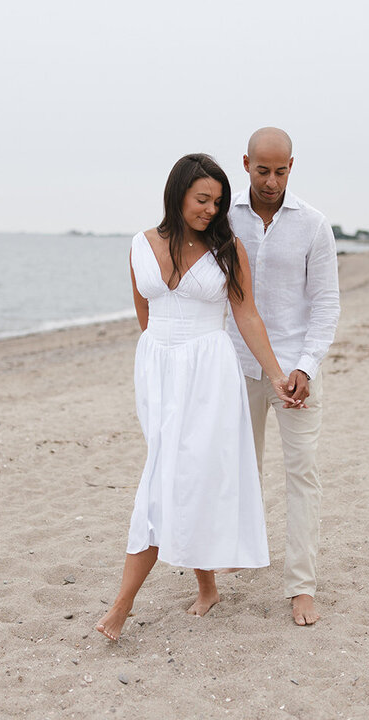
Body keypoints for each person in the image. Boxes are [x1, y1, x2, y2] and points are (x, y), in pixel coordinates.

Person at [96, 153, 295, 642]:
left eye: (218, 202)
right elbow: (145, 315)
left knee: (171, 478)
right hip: (158, 371)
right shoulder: (140, 246)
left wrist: (276, 375)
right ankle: (207, 587)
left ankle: (120, 607)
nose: (211, 209)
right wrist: (160, 361)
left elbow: (247, 317)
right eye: (202, 199)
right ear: (178, 193)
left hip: (210, 375)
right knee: (179, 474)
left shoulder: (228, 248)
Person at [226, 127, 340, 626]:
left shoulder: (313, 224)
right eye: (262, 170)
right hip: (236, 366)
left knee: (303, 475)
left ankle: (301, 585)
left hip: (297, 373)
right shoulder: (223, 218)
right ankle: (234, 554)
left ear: (292, 166)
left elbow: (326, 304)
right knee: (237, 470)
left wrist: (306, 366)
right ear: (246, 163)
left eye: (281, 171)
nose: (271, 181)